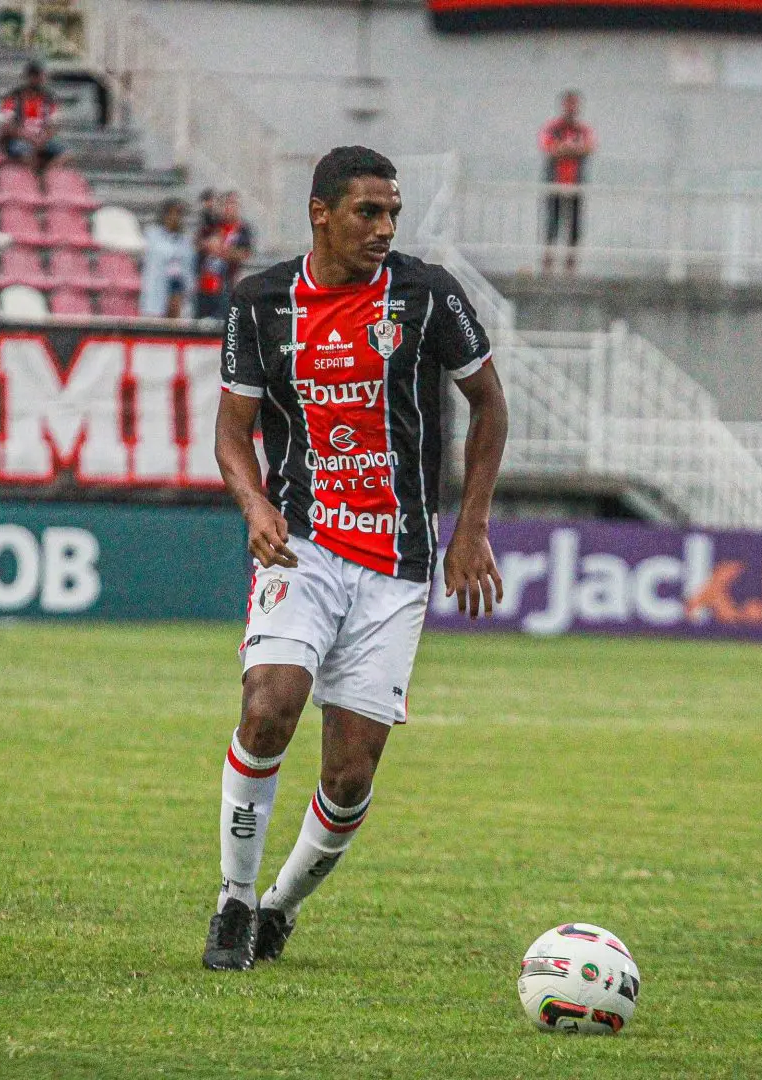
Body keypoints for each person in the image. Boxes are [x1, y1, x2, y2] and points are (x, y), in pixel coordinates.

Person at [203, 145, 508, 971]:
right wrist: (255, 503)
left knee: (348, 775)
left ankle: (279, 907)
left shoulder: (427, 295)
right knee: (268, 707)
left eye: (392, 214)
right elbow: (232, 432)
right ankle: (234, 900)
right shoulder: (261, 303)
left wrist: (471, 527)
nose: (384, 228)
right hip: (301, 544)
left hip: (396, 562)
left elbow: (489, 405)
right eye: (368, 212)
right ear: (321, 213)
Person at [539, 91, 595, 275]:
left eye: (574, 104)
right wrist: (570, 150)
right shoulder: (553, 128)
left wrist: (565, 149)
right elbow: (549, 148)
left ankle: (570, 268)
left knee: (575, 226)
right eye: (569, 104)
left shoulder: (582, 130)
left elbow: (589, 148)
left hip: (576, 184)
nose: (572, 108)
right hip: (554, 183)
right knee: (552, 224)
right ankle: (547, 266)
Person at [194, 191, 256, 322]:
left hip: (226, 285)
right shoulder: (212, 226)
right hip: (204, 285)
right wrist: (207, 245)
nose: (229, 208)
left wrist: (222, 251)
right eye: (226, 204)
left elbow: (245, 253)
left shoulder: (242, 229)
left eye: (233, 204)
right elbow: (198, 243)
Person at [0, 61, 64, 172]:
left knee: (66, 154)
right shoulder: (14, 98)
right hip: (19, 139)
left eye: (41, 77)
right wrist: (29, 137)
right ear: (29, 77)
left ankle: (44, 175)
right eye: (36, 77)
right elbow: (7, 126)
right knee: (26, 153)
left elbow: (54, 125)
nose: (40, 80)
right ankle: (32, 178)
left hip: (42, 138)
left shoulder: (49, 99)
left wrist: (43, 138)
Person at [139, 199, 196, 319]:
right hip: (157, 285)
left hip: (177, 286)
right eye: (172, 213)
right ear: (165, 215)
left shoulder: (186, 241)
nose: (175, 218)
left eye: (179, 214)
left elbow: (188, 268)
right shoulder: (152, 235)